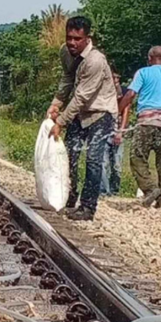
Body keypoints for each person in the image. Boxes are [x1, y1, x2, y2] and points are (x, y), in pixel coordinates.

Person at [47, 16, 118, 221]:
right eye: (69, 38)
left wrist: (60, 121)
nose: (72, 43)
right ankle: (68, 198)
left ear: (87, 38)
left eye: (77, 39)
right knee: (68, 155)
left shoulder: (96, 61)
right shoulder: (66, 52)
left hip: (100, 112)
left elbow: (82, 96)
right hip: (79, 112)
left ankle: (88, 207)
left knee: (93, 160)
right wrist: (56, 103)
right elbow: (68, 78)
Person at [118, 46, 161, 207]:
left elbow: (131, 94)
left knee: (137, 157)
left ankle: (150, 188)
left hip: (146, 123)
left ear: (149, 59)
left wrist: (118, 111)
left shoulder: (143, 73)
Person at [100, 69, 130, 196]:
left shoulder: (124, 92)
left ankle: (114, 190)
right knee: (103, 163)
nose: (115, 81)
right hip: (104, 131)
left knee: (117, 165)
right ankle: (104, 191)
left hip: (117, 130)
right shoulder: (103, 92)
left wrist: (120, 131)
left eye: (117, 78)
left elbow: (126, 112)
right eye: (113, 78)